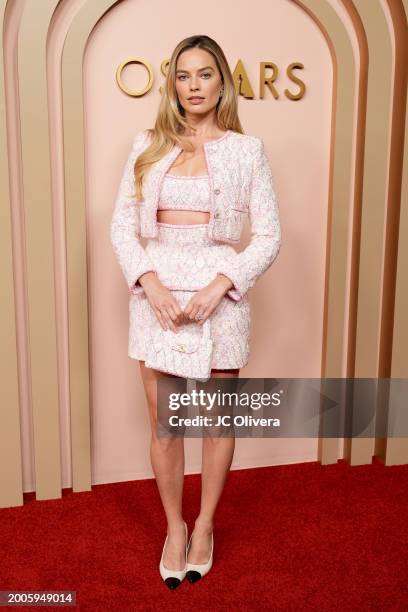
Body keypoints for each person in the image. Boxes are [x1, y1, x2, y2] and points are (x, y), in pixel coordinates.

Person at [110, 34, 281, 589]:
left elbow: (270, 234)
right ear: (172, 84)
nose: (193, 86)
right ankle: (175, 527)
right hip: (155, 297)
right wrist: (149, 282)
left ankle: (205, 525)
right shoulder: (147, 144)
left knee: (215, 423)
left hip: (219, 297)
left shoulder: (246, 149)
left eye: (204, 75)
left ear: (222, 82)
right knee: (166, 428)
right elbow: (121, 226)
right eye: (183, 76)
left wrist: (224, 282)